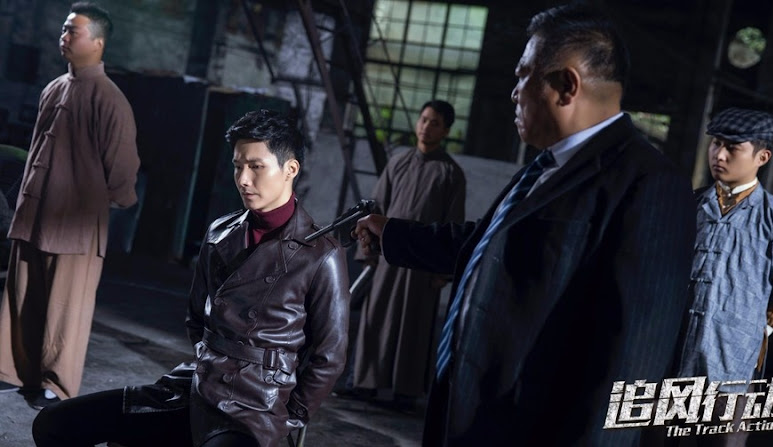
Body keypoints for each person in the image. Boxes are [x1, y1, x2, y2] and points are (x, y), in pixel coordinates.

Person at [355, 4, 696, 446]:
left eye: (523, 75)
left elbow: (631, 362)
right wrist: (394, 234)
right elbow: (491, 244)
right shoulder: (547, 166)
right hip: (472, 420)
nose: (515, 93)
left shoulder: (648, 184)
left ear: (566, 86)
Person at [31, 109, 351, 447]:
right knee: (54, 424)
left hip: (257, 406)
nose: (243, 179)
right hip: (194, 383)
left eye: (256, 166)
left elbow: (329, 356)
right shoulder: (220, 233)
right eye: (237, 166)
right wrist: (209, 360)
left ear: (290, 169)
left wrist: (289, 417)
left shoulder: (320, 254)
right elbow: (196, 318)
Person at [0, 2, 140, 409]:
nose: (63, 37)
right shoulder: (54, 88)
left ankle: (56, 384)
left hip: (76, 224)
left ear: (97, 42)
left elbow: (122, 168)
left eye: (72, 31)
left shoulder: (109, 99)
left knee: (67, 307)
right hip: (35, 213)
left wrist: (95, 204)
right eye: (63, 29)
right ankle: (12, 370)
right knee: (22, 294)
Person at [674, 107, 773, 447]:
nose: (719, 155)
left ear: (762, 156)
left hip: (733, 365)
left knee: (723, 440)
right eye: (716, 143)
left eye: (732, 147)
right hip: (672, 355)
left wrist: (748, 333)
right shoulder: (688, 205)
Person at [350, 100, 466, 407]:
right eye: (424, 119)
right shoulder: (397, 163)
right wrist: (369, 251)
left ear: (446, 131)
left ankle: (405, 392)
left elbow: (453, 223)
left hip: (423, 262)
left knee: (414, 324)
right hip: (388, 256)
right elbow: (377, 207)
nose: (426, 127)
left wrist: (443, 272)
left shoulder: (451, 173)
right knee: (375, 317)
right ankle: (365, 384)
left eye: (435, 123)